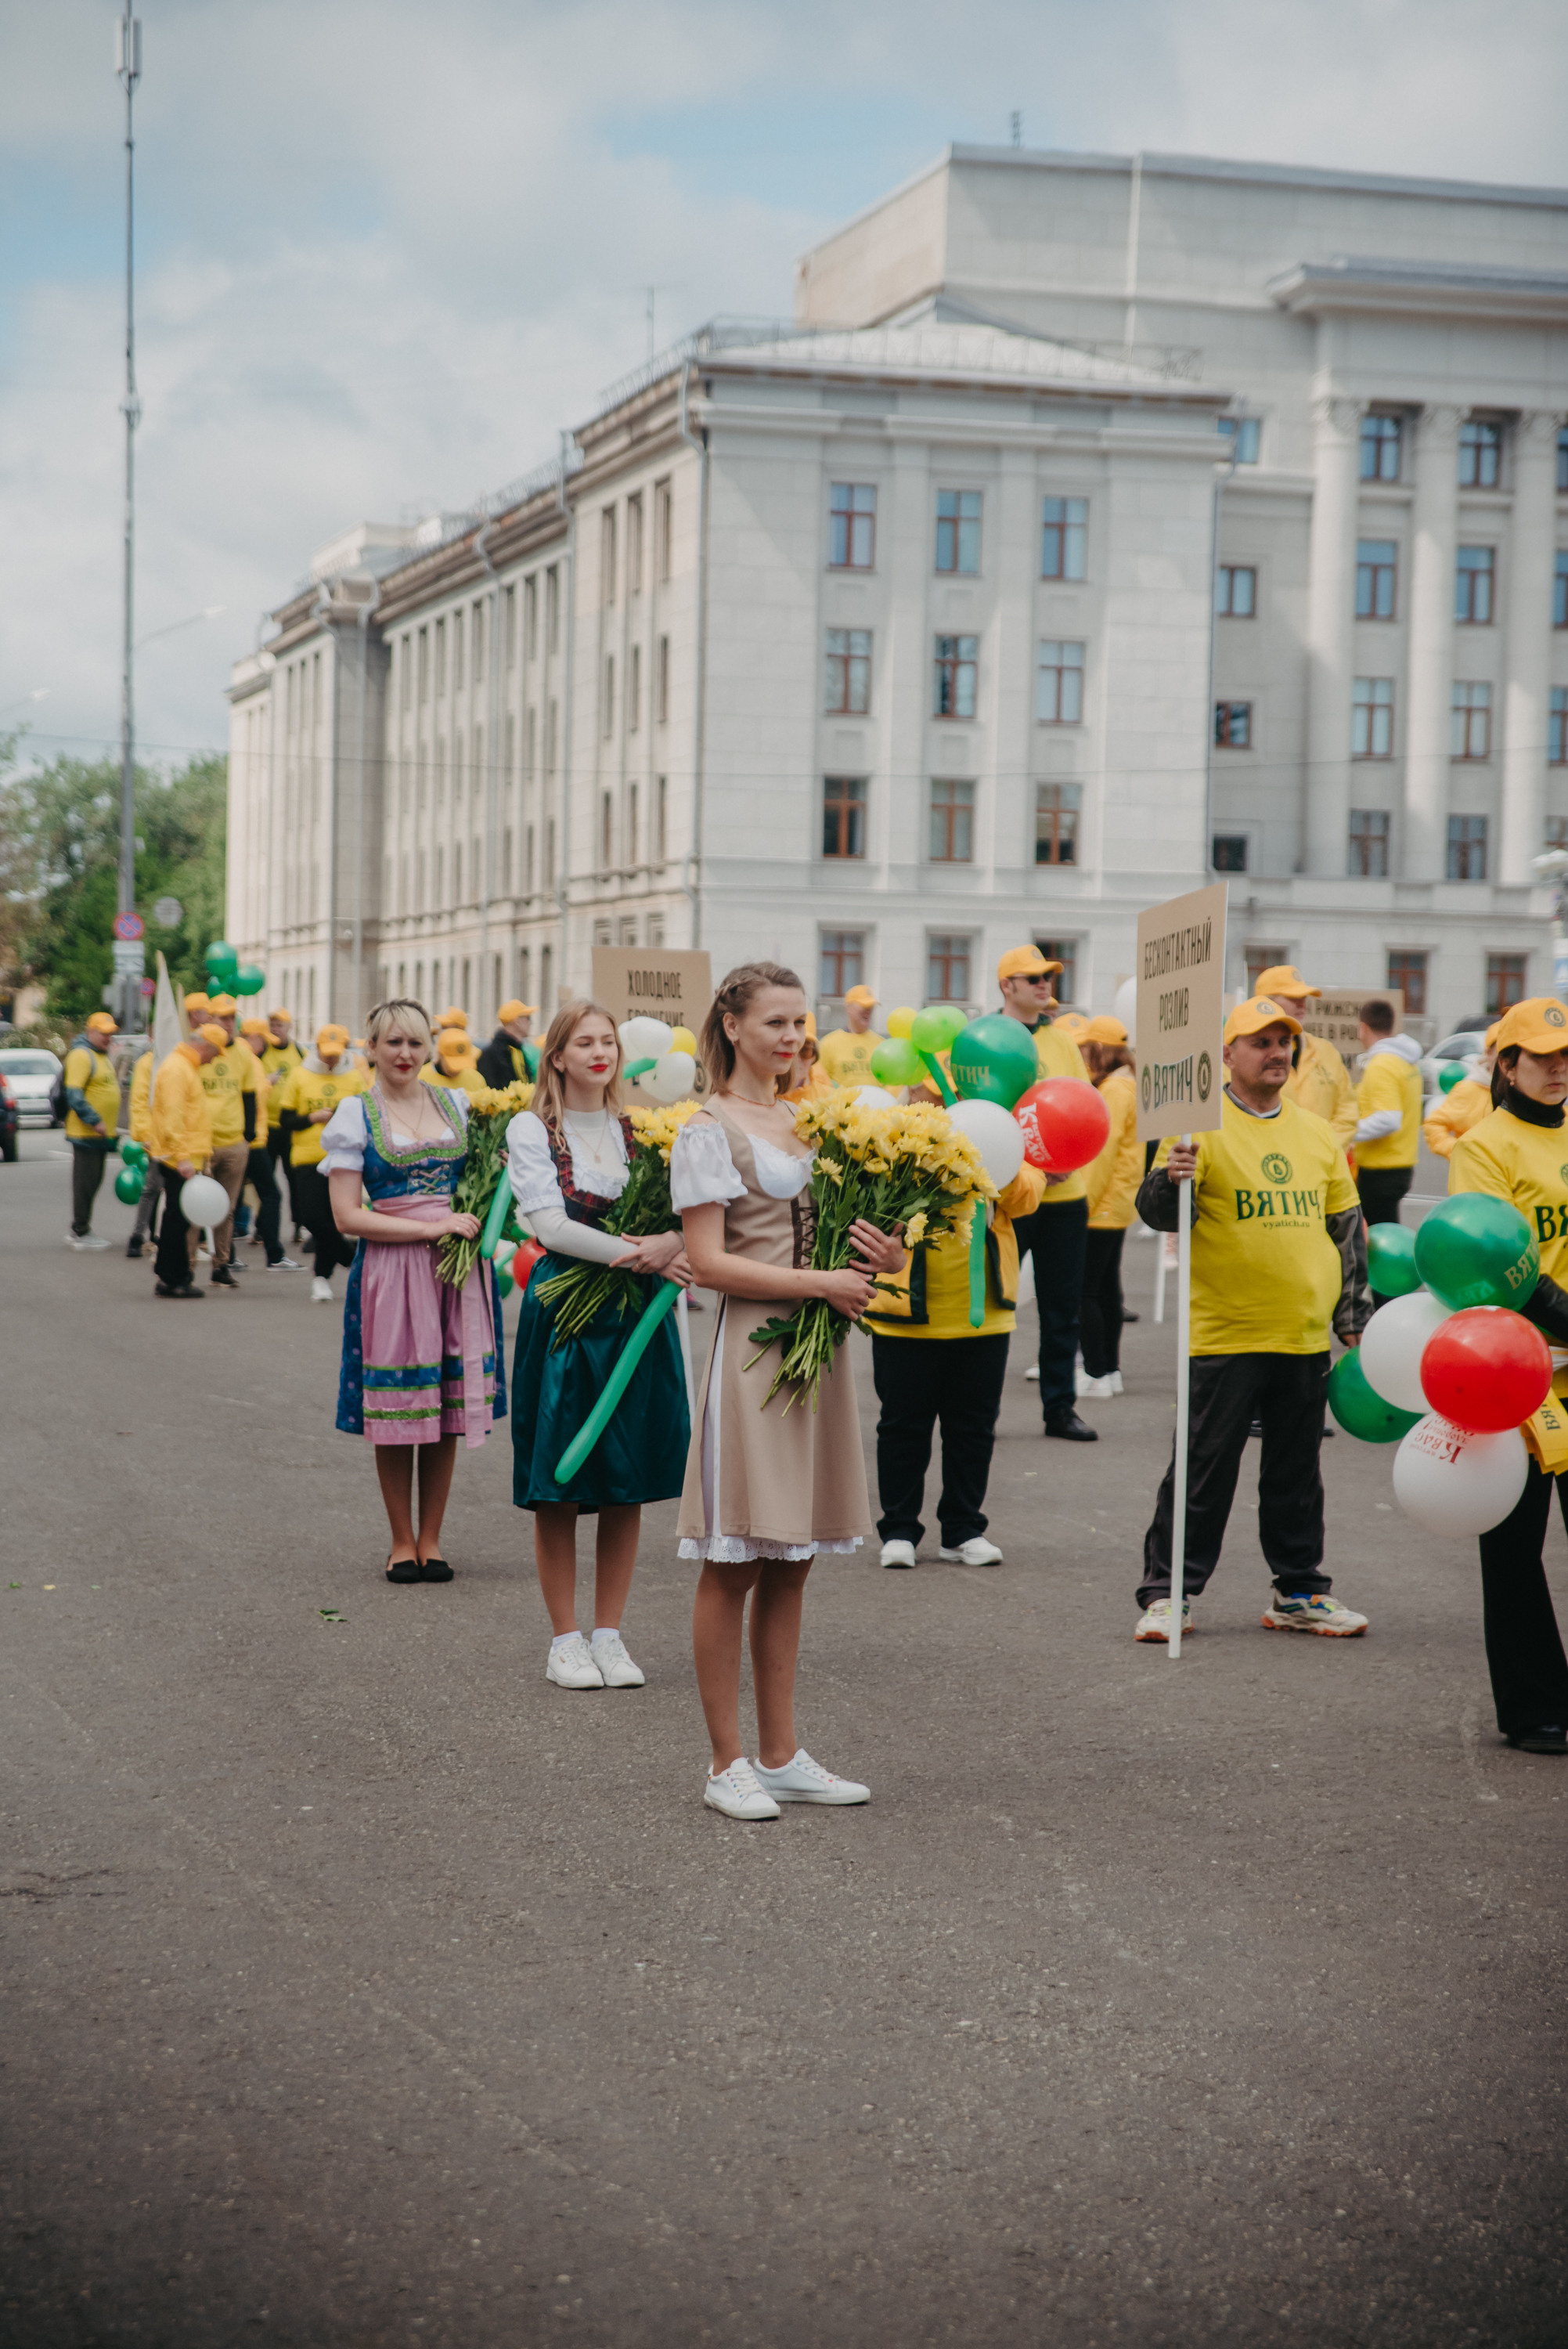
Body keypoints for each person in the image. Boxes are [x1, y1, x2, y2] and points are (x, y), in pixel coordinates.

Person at [672, 962, 905, 1820]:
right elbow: (707, 1264)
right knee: (735, 1557)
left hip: (818, 1354)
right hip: (752, 1354)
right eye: (774, 1022)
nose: (792, 1038)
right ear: (731, 1027)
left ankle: (779, 1752)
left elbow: (860, 1237)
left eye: (799, 1023)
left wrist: (887, 1258)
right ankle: (723, 1761)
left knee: (795, 1558)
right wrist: (821, 1287)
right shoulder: (707, 1127)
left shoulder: (818, 1118)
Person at [1132, 994, 1372, 1643]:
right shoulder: (1196, 1128)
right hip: (1224, 1333)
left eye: (1283, 1042)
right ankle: (1168, 1595)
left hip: (1300, 1333)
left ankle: (1298, 1591)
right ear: (1226, 1055)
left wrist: (1355, 1318)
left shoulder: (1314, 1131)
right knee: (1204, 1470)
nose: (1276, 1053)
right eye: (1260, 1042)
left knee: (1296, 1475)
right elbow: (1157, 1212)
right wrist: (1169, 1178)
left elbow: (1346, 1230)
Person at [507, 1000, 690, 1690]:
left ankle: (609, 1634)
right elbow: (549, 1226)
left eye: (607, 1041)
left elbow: (683, 1214)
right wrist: (638, 1254)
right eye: (582, 1042)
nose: (599, 1052)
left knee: (625, 1481)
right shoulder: (533, 1129)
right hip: (566, 1312)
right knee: (559, 1479)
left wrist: (673, 1241)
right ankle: (564, 1640)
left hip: (635, 1315)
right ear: (556, 1056)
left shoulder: (639, 1129)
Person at [322, 998, 502, 1581]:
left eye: (416, 1044)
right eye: (393, 1043)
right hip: (393, 1272)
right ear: (369, 1048)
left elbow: (485, 1180)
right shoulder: (356, 1114)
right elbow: (347, 1217)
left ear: (430, 1049)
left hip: (456, 1270)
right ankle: (401, 1540)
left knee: (446, 1408)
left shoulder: (457, 1104)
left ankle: (433, 1537)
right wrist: (429, 1227)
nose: (405, 1054)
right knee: (400, 1409)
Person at [1448, 998, 1568, 1753]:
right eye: (1542, 1056)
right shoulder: (1484, 1146)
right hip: (1519, 1373)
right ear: (1506, 1064)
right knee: (1515, 1549)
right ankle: (1534, 1707)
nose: (1558, 1067)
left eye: (1566, 1055)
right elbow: (1500, 1263)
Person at [863, 1124, 1046, 1569]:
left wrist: (992, 1159)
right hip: (906, 1317)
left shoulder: (997, 1130)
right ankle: (899, 1529)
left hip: (982, 1317)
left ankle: (964, 1529)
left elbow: (1028, 1195)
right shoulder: (900, 1142)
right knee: (902, 1428)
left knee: (973, 1429)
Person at [996, 944, 1098, 1442]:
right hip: (1009, 1194)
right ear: (1006, 987)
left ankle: (1060, 1408)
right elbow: (983, 1113)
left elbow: (1082, 1109)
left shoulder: (1062, 1042)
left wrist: (1065, 1162)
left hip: (1064, 1195)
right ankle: (981, 1409)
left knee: (1063, 1309)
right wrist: (1030, 1164)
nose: (1044, 983)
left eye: (1049, 976)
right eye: (1032, 977)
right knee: (998, 1304)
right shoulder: (986, 1041)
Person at [271, 1026, 369, 1301]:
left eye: (336, 1055)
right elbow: (285, 1120)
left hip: (344, 1160)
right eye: (327, 1054)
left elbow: (367, 1115)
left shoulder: (354, 1078)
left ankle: (321, 1278)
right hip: (307, 1157)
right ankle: (351, 1259)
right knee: (312, 1218)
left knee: (336, 1221)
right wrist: (312, 1118)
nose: (331, 1060)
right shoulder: (300, 1076)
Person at [1077, 1013, 1140, 1400]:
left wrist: (1081, 1205)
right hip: (1115, 1202)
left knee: (1088, 1291)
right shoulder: (1127, 1085)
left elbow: (1103, 1150)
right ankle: (1109, 1370)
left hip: (1101, 1203)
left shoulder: (1115, 1091)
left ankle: (1097, 1371)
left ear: (1099, 1049)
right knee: (1105, 1289)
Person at [147, 1022, 223, 1299]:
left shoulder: (182, 1066)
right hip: (181, 1158)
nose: (214, 1059)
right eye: (214, 1053)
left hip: (184, 1156)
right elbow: (174, 1118)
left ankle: (171, 1275)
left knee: (176, 1220)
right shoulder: (179, 1069)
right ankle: (174, 1277)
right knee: (177, 1221)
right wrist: (183, 1157)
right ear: (204, 1047)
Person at [191, 991, 260, 1289]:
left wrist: (247, 1136)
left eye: (232, 1018)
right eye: (222, 1018)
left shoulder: (243, 1053)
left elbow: (249, 1095)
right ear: (210, 1019)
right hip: (201, 1143)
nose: (228, 1024)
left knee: (227, 1209)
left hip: (233, 1142)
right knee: (195, 1208)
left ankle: (221, 1264)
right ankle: (187, 1264)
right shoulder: (199, 1049)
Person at [1253, 964, 1358, 1150]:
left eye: (1303, 997)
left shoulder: (1326, 1051)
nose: (1302, 1003)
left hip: (1322, 1166)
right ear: (1266, 1003)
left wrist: (1321, 1151)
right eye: (1293, 997)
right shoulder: (1245, 1054)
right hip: (1269, 1163)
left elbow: (1347, 1114)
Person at [235, 1017, 299, 1270]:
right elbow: (249, 1095)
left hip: (249, 1137)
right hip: (251, 1139)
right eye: (263, 1040)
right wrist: (267, 1084)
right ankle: (272, 1254)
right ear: (254, 1037)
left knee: (237, 1196)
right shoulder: (248, 1059)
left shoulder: (243, 1057)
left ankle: (227, 1255)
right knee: (270, 1194)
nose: (265, 1047)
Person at [1353, 998, 1423, 1225]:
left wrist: (1345, 1132)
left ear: (1363, 1028)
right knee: (1388, 1232)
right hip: (1400, 1165)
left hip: (1379, 1171)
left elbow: (1388, 1119)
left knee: (1376, 1243)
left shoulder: (1382, 1065)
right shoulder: (1406, 1063)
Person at [62, 1011, 122, 1250]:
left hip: (99, 1135)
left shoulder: (101, 1056)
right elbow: (74, 1094)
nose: (108, 1038)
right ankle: (81, 1230)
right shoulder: (81, 1055)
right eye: (103, 1033)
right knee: (85, 1183)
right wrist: (94, 1119)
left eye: (111, 1034)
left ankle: (83, 1227)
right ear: (90, 1032)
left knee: (93, 1182)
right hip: (86, 1133)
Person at [1425, 1023, 1498, 1160]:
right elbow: (1433, 1124)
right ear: (1489, 1052)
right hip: (1473, 1177)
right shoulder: (1468, 1089)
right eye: (1503, 1049)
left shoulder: (1526, 1091)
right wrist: (1459, 1151)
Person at [261, 1008, 305, 1238]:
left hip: (289, 1126)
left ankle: (298, 1225)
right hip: (265, 1126)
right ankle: (262, 1228)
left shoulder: (299, 1052)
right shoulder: (262, 1051)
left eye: (280, 1025)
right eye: (272, 1025)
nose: (275, 1029)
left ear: (289, 1027)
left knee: (293, 1178)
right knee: (264, 1180)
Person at [125, 1037, 161, 1258]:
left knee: (173, 1190)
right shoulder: (147, 1064)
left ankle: (159, 1236)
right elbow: (139, 1101)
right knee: (152, 1188)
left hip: (180, 1136)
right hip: (158, 1136)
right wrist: (146, 1134)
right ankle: (138, 1236)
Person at [816, 983, 881, 1091]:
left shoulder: (881, 1044)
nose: (868, 1011)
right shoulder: (827, 1044)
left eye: (871, 1006)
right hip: (842, 1107)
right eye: (864, 1006)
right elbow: (818, 1083)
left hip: (877, 1107)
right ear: (849, 1008)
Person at [477, 999, 537, 1089]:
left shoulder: (518, 1051)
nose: (531, 1023)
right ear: (517, 1022)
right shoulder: (491, 1054)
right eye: (528, 1018)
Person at [779, 1013, 828, 1105]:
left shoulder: (829, 1099)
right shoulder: (759, 1097)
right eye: (787, 1050)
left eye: (805, 1050)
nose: (795, 1059)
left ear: (814, 1056)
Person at [423, 1027, 486, 1097]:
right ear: (440, 1055)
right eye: (453, 1063)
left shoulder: (476, 1080)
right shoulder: (420, 1079)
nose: (457, 1069)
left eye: (462, 1062)